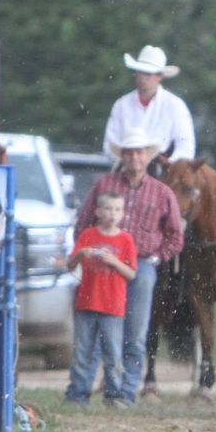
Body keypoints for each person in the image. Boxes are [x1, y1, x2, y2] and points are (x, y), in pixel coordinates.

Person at [73, 129, 185, 404]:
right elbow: (83, 222)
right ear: (122, 156)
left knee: (135, 332)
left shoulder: (162, 192)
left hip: (143, 264)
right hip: (103, 264)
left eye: (139, 152)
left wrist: (158, 257)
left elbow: (175, 235)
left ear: (148, 156)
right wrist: (88, 253)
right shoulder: (105, 185)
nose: (135, 157)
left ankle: (125, 392)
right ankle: (85, 389)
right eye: (129, 152)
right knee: (97, 329)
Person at [60, 191, 138, 406]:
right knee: (82, 352)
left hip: (113, 307)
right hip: (86, 303)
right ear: (98, 211)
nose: (113, 213)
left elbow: (131, 273)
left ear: (123, 213)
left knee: (113, 354)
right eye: (108, 208)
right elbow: (70, 265)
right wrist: (80, 254)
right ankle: (78, 393)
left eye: (117, 209)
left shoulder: (125, 239)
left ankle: (114, 394)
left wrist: (114, 261)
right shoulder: (87, 235)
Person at [103, 44, 195, 163]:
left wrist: (169, 165)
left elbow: (186, 146)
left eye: (148, 73)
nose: (142, 78)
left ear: (159, 77)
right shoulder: (121, 105)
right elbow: (110, 144)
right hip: (126, 166)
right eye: (140, 72)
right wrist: (129, 161)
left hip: (163, 169)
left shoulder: (175, 106)